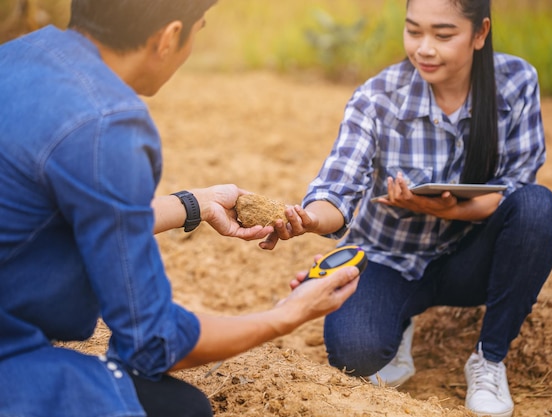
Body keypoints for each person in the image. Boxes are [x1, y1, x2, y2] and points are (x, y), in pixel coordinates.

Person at [0, 1, 360, 417]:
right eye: (199, 29)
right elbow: (153, 341)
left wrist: (195, 204)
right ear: (169, 36)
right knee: (180, 408)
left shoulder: (20, 53)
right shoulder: (109, 123)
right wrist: (288, 315)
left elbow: (72, 214)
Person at [261, 0, 552, 416]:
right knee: (355, 354)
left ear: (480, 33)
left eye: (442, 35)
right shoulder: (376, 97)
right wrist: (309, 219)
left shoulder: (515, 82)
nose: (424, 48)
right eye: (413, 31)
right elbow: (338, 185)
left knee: (538, 207)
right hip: (389, 258)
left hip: (468, 260)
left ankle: (489, 358)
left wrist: (445, 211)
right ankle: (399, 323)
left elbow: (513, 189)